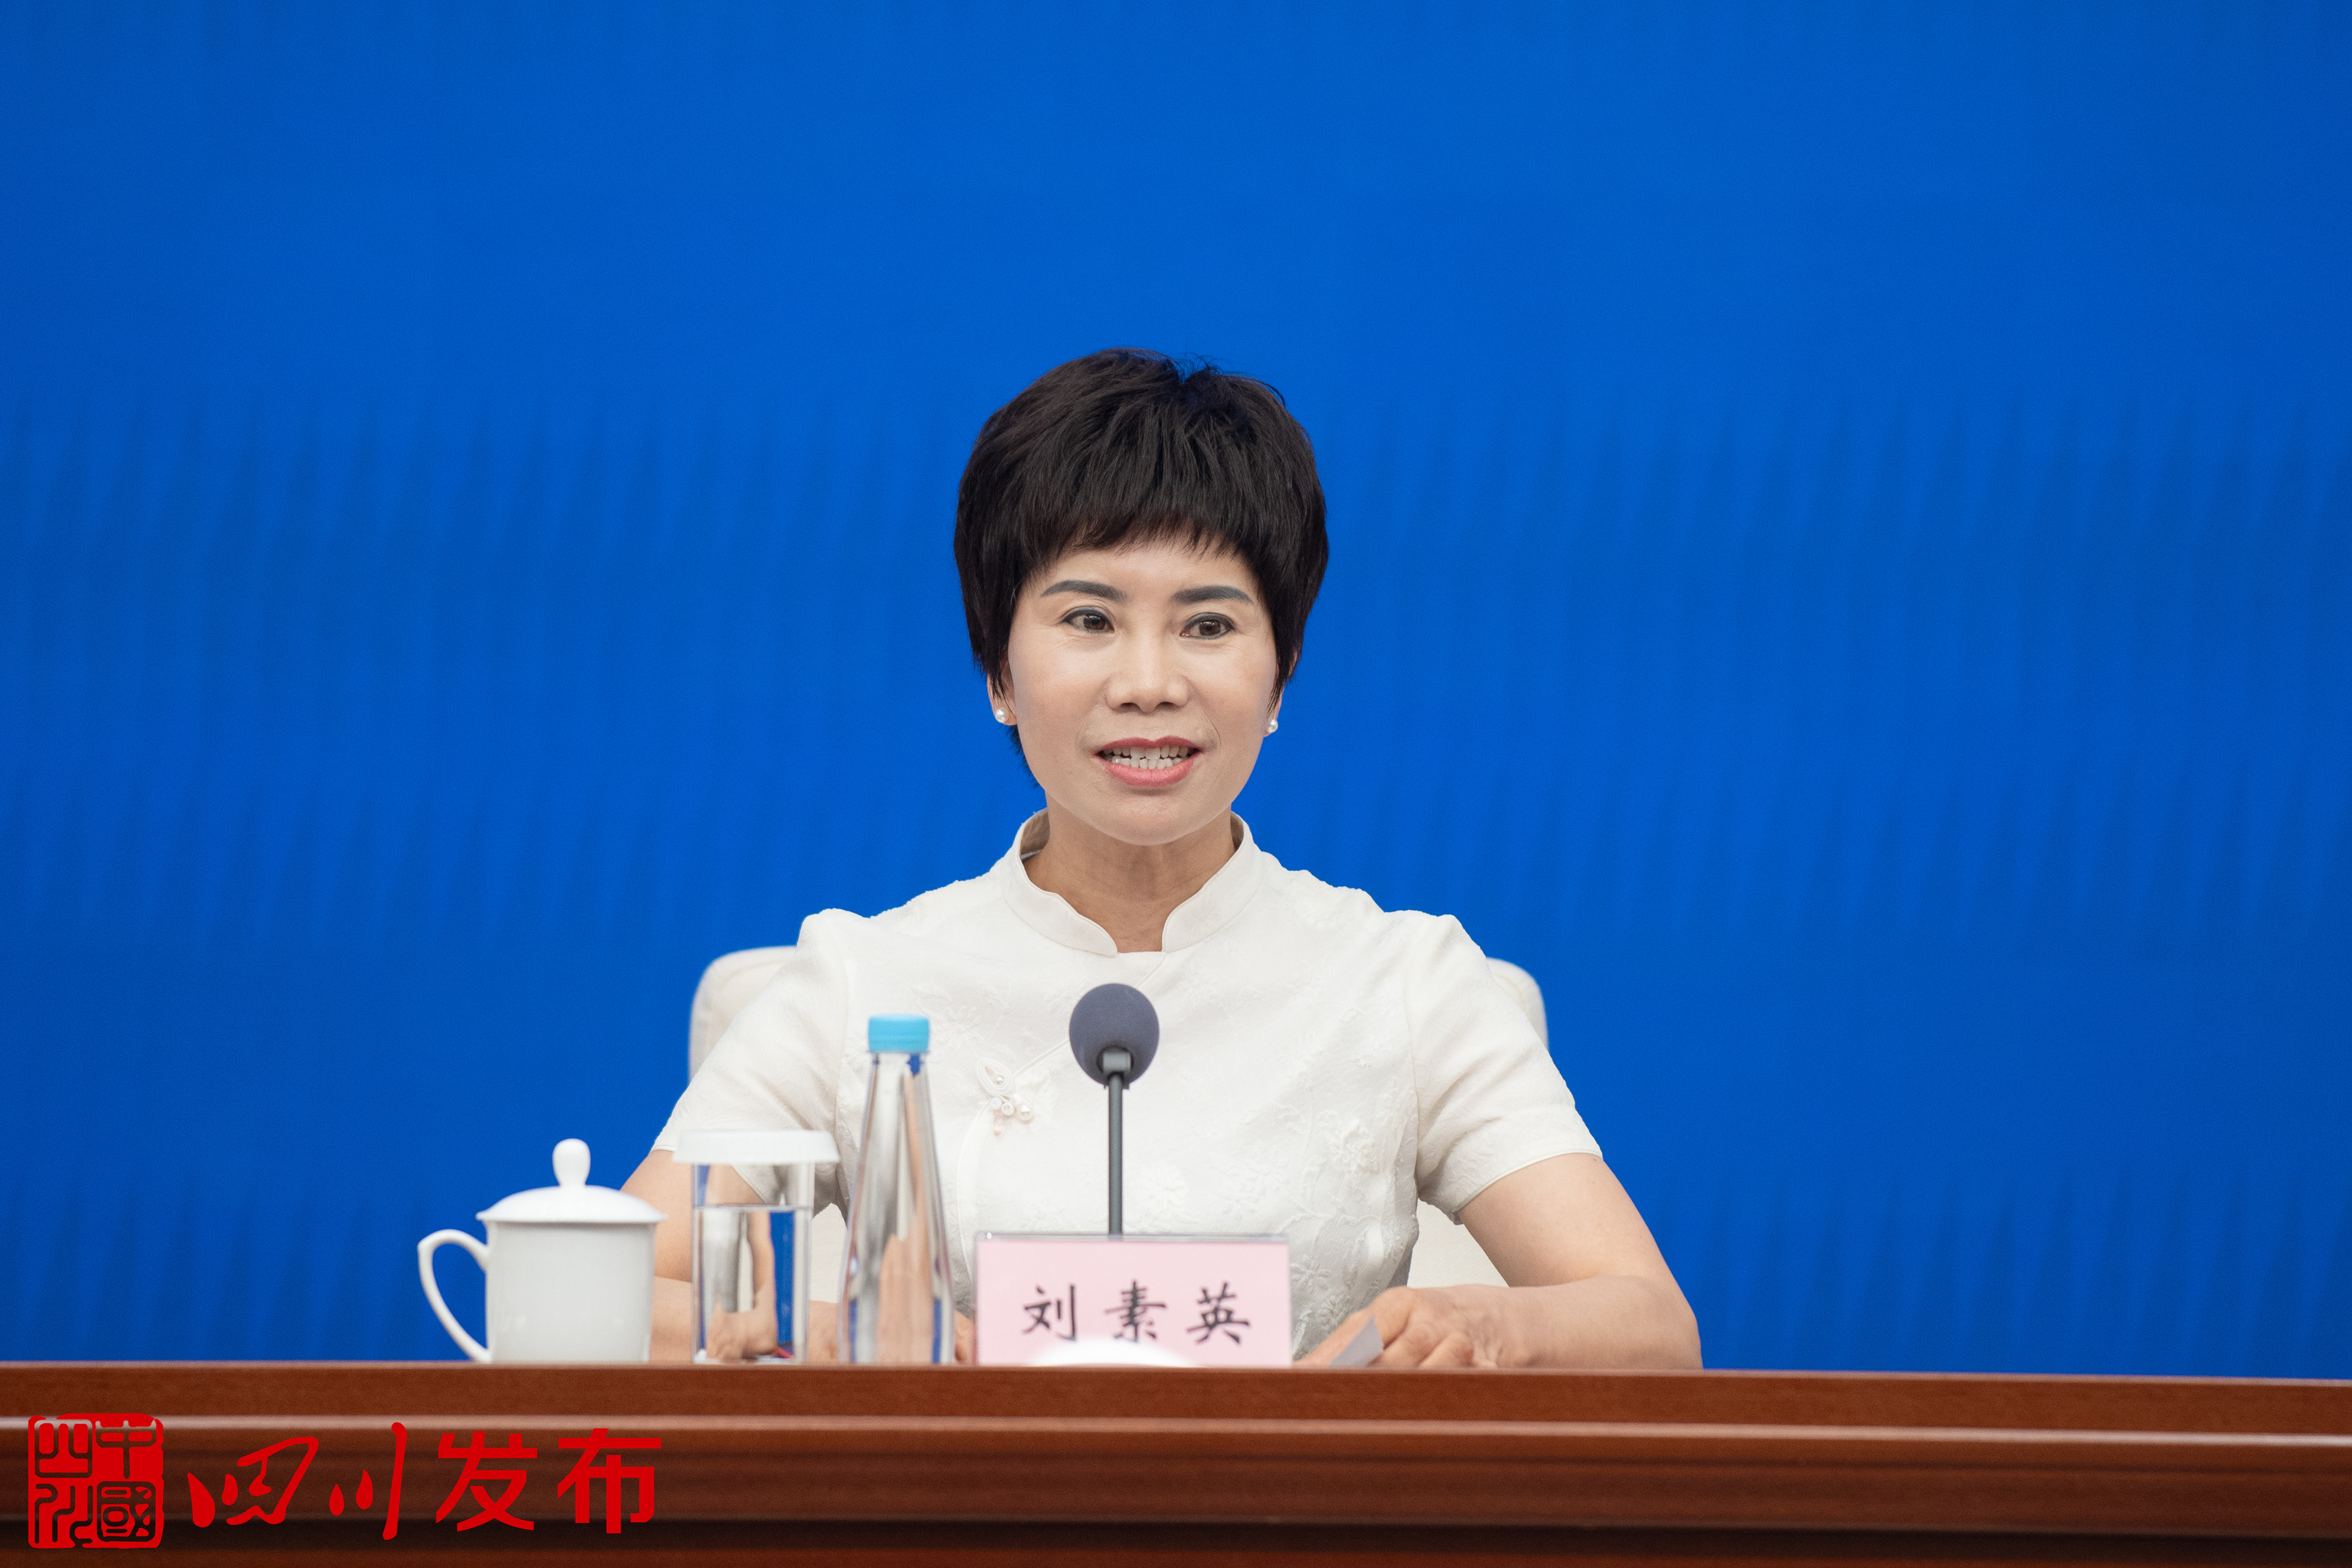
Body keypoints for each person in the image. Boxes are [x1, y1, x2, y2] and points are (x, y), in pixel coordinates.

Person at [621, 349, 1700, 1369]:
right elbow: (600, 1295)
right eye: (1090, 619)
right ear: (998, 671)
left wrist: (1480, 1324)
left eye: (1208, 626)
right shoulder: (865, 984)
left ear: (1280, 676)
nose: (1148, 684)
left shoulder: (1403, 981)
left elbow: (1652, 1326)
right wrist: (839, 1334)